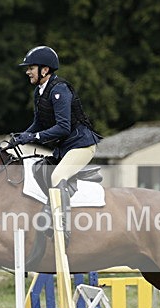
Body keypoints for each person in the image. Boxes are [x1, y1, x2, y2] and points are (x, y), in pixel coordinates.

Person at [12, 46, 101, 238]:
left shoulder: (60, 89)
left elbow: (63, 127)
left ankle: (62, 227)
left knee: (57, 176)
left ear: (45, 70)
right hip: (64, 148)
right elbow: (38, 123)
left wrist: (34, 138)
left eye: (31, 67)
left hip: (82, 145)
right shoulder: (39, 92)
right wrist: (20, 137)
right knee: (38, 170)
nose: (27, 71)